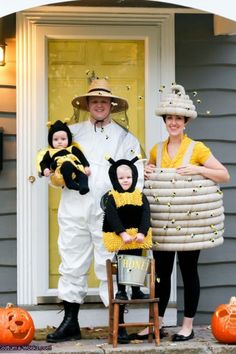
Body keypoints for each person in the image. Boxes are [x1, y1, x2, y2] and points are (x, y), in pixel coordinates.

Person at [129, 83, 230, 342]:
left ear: (185, 121)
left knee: (188, 270)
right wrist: (146, 170)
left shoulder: (197, 149)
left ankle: (187, 325)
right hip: (163, 221)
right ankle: (158, 323)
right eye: (169, 118)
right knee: (161, 272)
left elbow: (224, 174)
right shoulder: (155, 149)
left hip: (189, 223)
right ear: (165, 121)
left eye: (178, 118)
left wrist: (199, 170)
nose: (173, 123)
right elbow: (146, 179)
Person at [46, 78, 144, 343]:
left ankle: (117, 324)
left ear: (111, 105)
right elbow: (54, 163)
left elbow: (137, 176)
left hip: (108, 214)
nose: (99, 105)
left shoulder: (126, 139)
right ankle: (70, 322)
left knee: (109, 264)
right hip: (74, 209)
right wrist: (54, 174)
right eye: (94, 100)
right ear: (88, 104)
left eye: (104, 101)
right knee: (72, 263)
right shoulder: (71, 134)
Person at [102, 157, 152, 343]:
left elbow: (146, 214)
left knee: (137, 262)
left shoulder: (140, 196)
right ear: (115, 179)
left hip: (137, 238)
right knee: (123, 264)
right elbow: (112, 216)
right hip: (123, 240)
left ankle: (137, 289)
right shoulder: (112, 197)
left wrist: (142, 232)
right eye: (121, 178)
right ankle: (123, 289)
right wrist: (122, 233)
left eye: (129, 177)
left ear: (134, 177)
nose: (125, 180)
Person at [39, 119, 90, 194]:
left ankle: (83, 187)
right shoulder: (50, 152)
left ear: (68, 139)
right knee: (67, 164)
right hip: (61, 169)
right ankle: (69, 182)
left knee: (82, 175)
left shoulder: (72, 148)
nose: (59, 142)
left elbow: (81, 157)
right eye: (55, 139)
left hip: (76, 167)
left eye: (63, 139)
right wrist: (45, 169)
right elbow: (44, 162)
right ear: (51, 141)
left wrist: (86, 166)